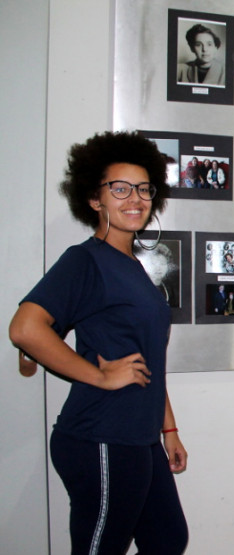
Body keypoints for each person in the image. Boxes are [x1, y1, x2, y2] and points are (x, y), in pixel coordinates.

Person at [8, 130, 188, 553]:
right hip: (102, 435)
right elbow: (26, 328)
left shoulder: (133, 267)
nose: (135, 199)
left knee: (167, 540)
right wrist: (99, 375)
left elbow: (147, 359)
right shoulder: (86, 260)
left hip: (139, 436)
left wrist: (169, 429)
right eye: (120, 188)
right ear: (94, 198)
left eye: (143, 189)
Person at [134, 242, 179, 308]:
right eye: (154, 264)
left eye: (162, 263)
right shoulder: (138, 287)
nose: (158, 268)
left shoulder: (172, 289)